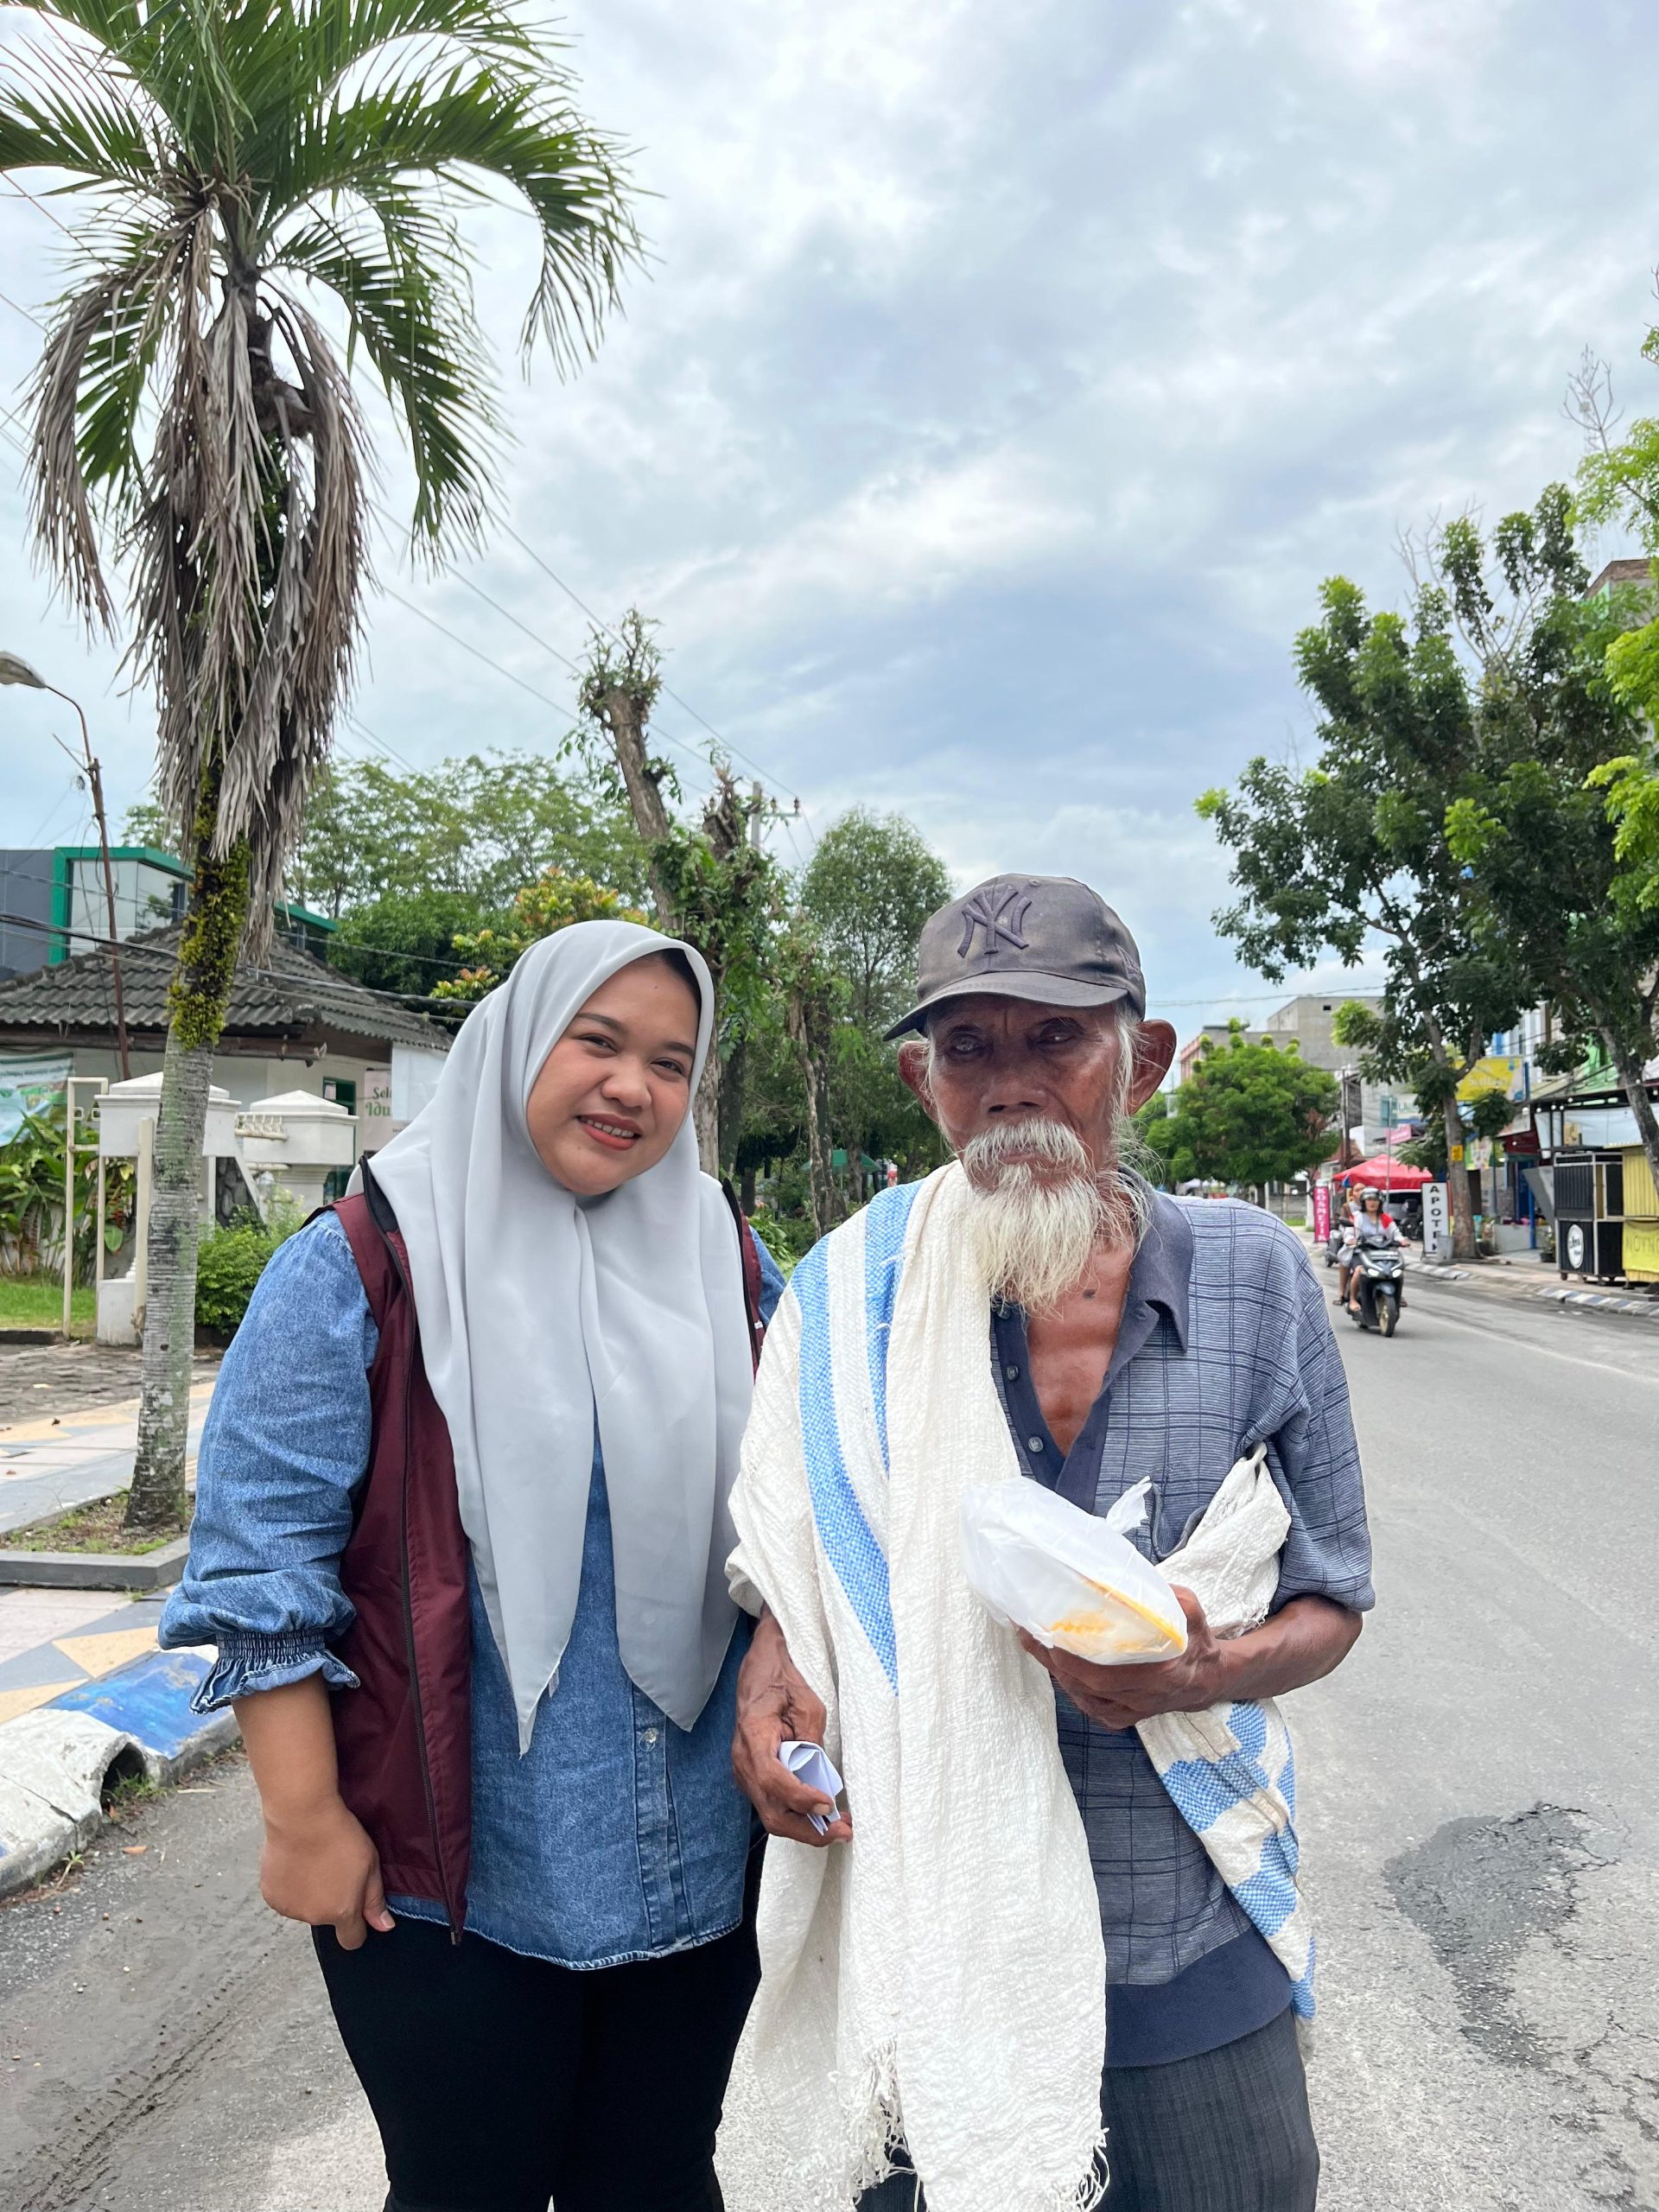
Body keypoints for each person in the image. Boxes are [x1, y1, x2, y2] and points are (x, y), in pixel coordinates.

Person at [728, 875, 1373, 2212]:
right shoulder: (853, 1298)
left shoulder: (1256, 1279)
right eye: (969, 1047)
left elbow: (1333, 1601)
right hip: (936, 1955)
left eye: (1057, 1039)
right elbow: (815, 1545)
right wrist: (775, 1655)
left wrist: (1198, 1675)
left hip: (1188, 1952)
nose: (1013, 1088)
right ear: (924, 1082)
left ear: (1144, 1059)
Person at [161, 922, 785, 2212]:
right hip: (452, 1876)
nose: (632, 1086)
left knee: (660, 2182)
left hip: (695, 1858)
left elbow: (795, 1508)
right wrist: (302, 1818)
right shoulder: (365, 1260)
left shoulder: (721, 1254)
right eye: (597, 1041)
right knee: (463, 2188)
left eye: (671, 1062)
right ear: (514, 1043)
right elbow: (260, 1568)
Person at [1341, 1185, 1406, 1316]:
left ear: (1380, 1202)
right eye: (1369, 1199)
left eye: (1375, 1200)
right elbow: (1348, 1234)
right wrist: (1351, 1240)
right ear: (1364, 1202)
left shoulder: (1386, 1218)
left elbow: (1395, 1232)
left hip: (1384, 1252)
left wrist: (1401, 1240)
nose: (1372, 1203)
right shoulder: (1356, 1217)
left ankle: (1397, 1296)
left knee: (1397, 1272)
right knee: (1359, 1271)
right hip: (1361, 1252)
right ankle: (1352, 1299)